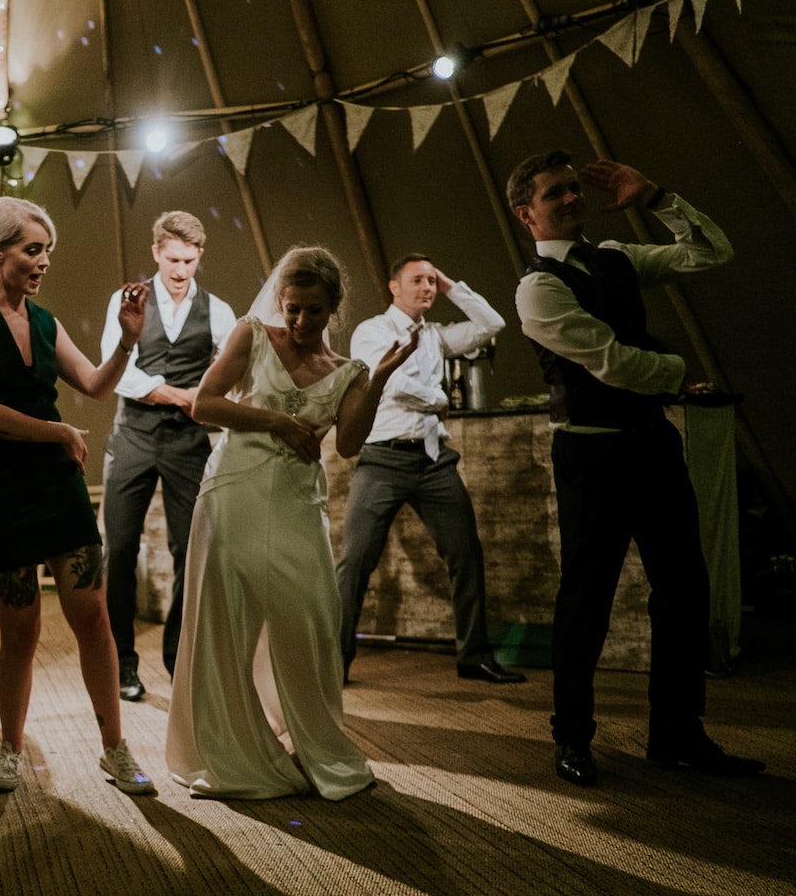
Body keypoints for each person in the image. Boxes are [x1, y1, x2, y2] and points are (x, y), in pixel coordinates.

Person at [507, 151, 765, 786]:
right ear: (526, 214)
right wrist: (675, 370)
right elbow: (616, 364)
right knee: (586, 599)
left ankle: (677, 733)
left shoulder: (617, 255)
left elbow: (712, 253)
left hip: (651, 443)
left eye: (574, 188)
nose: (571, 198)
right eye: (555, 193)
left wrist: (656, 197)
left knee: (684, 588)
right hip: (590, 454)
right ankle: (571, 738)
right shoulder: (537, 287)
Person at [165, 246, 416, 800]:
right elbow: (204, 405)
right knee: (225, 625)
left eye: (313, 311)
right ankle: (231, 754)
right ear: (280, 301)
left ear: (334, 310)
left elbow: (348, 444)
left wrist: (376, 382)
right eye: (292, 308)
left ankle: (311, 743)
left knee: (313, 623)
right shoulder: (252, 336)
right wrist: (277, 420)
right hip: (232, 493)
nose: (300, 322)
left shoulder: (347, 371)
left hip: (299, 506)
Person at [0, 196, 155, 796]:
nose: (43, 262)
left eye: (48, 253)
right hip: (1, 489)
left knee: (93, 620)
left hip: (55, 485)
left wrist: (126, 343)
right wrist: (59, 430)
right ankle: (10, 749)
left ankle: (114, 748)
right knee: (22, 631)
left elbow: (92, 385)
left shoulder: (45, 320)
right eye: (33, 250)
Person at [334, 255, 523, 684]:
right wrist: (440, 399)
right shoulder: (373, 331)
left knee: (466, 555)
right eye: (417, 280)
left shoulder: (435, 335)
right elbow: (392, 383)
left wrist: (452, 284)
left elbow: (493, 324)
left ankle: (473, 656)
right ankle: (335, 660)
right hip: (383, 458)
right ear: (393, 287)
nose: (427, 287)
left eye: (431, 281)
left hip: (433, 460)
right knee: (356, 560)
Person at [99, 210, 236, 701]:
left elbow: (231, 373)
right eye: (173, 259)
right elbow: (121, 374)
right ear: (156, 252)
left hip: (187, 444)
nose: (181, 270)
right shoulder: (127, 299)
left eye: (190, 260)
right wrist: (185, 395)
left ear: (200, 256)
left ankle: (180, 659)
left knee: (192, 551)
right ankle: (122, 665)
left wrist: (213, 396)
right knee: (118, 550)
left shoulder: (219, 310)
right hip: (132, 436)